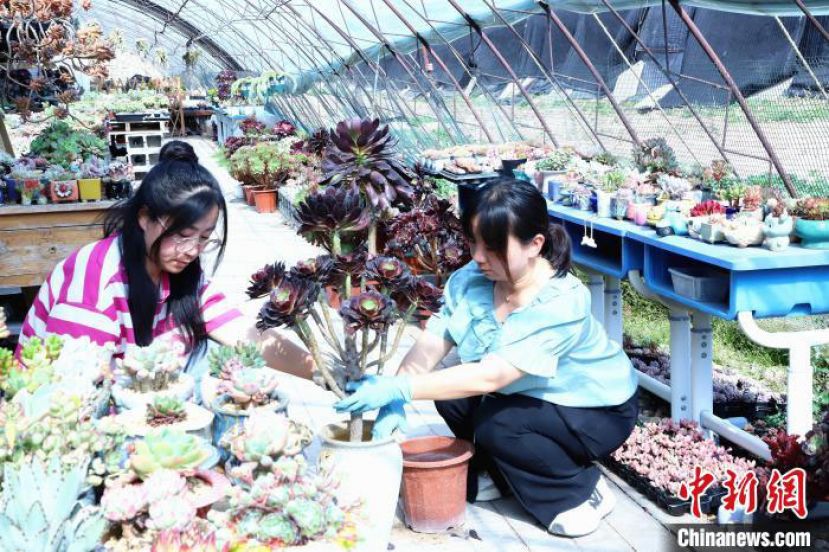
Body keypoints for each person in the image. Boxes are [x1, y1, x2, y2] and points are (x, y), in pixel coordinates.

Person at [335, 178, 639, 538]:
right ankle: (499, 472)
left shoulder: (560, 301)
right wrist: (397, 392)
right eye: (474, 241)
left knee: (500, 425)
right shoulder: (472, 280)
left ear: (534, 245)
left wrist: (401, 389)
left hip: (595, 409)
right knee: (452, 396)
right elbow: (435, 341)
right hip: (534, 394)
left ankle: (579, 490)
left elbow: (492, 376)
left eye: (493, 247)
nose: (478, 256)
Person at [17, 140, 313, 383]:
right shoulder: (93, 285)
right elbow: (71, 389)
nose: (192, 250)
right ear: (144, 217)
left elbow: (242, 333)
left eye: (203, 237)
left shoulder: (180, 272)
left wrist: (321, 372)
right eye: (182, 235)